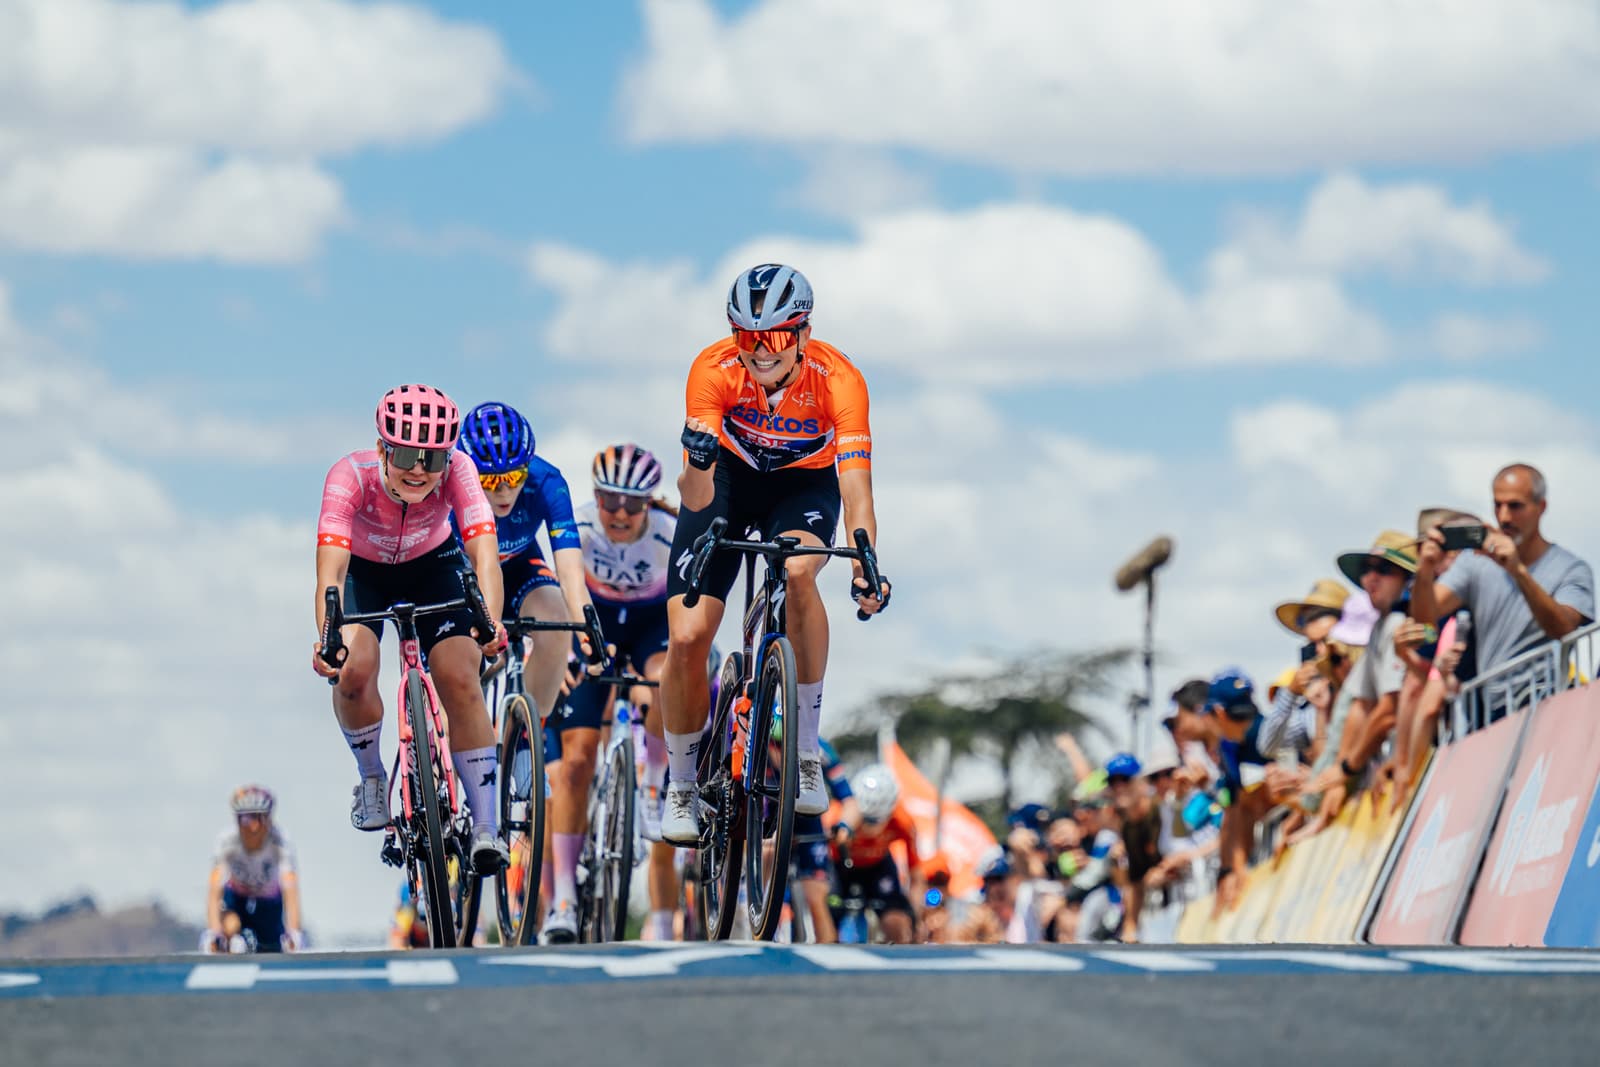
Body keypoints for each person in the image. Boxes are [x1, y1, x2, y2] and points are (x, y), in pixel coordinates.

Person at [659, 264, 890, 845]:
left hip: (801, 487)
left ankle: (806, 750)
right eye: (747, 338)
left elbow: (856, 491)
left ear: (804, 335)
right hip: (728, 482)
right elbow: (695, 497)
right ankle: (683, 783)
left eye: (778, 337)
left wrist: (865, 565)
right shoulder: (712, 371)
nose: (761, 352)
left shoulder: (841, 381)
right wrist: (696, 462)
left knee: (798, 572)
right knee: (687, 639)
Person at [311, 383, 509, 875]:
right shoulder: (348, 475)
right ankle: (373, 776)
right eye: (405, 454)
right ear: (381, 448)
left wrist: (491, 623)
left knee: (460, 677)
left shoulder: (460, 471)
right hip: (365, 571)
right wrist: (328, 639)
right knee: (354, 672)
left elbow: (485, 556)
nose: (420, 469)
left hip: (434, 564)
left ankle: (486, 826)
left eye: (433, 458)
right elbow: (330, 574)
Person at [454, 402, 600, 942]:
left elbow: (566, 559)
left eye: (513, 477)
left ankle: (525, 736)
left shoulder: (547, 482)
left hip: (520, 571)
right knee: (461, 666)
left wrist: (583, 619)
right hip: (464, 573)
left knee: (557, 618)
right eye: (490, 479)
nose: (502, 490)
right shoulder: (453, 485)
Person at [570, 443, 679, 942]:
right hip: (594, 619)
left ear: (648, 504)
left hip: (647, 623)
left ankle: (654, 786)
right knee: (583, 736)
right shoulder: (581, 527)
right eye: (609, 500)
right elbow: (560, 587)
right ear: (596, 498)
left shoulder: (668, 534)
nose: (619, 513)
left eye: (632, 504)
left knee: (665, 679)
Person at [1412, 463, 1594, 712]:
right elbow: (1425, 621)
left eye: (1515, 506)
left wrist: (1518, 572)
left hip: (1546, 705)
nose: (1505, 516)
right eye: (1498, 505)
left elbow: (1564, 628)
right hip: (1495, 713)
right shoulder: (1474, 562)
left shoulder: (1572, 569)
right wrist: (1424, 570)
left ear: (1541, 507)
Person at [204, 786, 303, 954]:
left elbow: (291, 891)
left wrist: (293, 933)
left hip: (268, 900)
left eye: (259, 818)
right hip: (237, 898)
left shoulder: (281, 842)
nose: (253, 827)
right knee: (230, 926)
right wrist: (215, 932)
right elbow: (214, 890)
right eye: (246, 819)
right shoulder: (226, 841)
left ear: (269, 819)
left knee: (273, 947)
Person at [830, 762, 919, 944]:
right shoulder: (834, 815)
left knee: (898, 922)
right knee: (827, 919)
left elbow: (916, 874)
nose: (868, 828)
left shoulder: (902, 821)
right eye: (864, 819)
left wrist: (915, 916)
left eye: (875, 821)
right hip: (840, 866)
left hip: (878, 867)